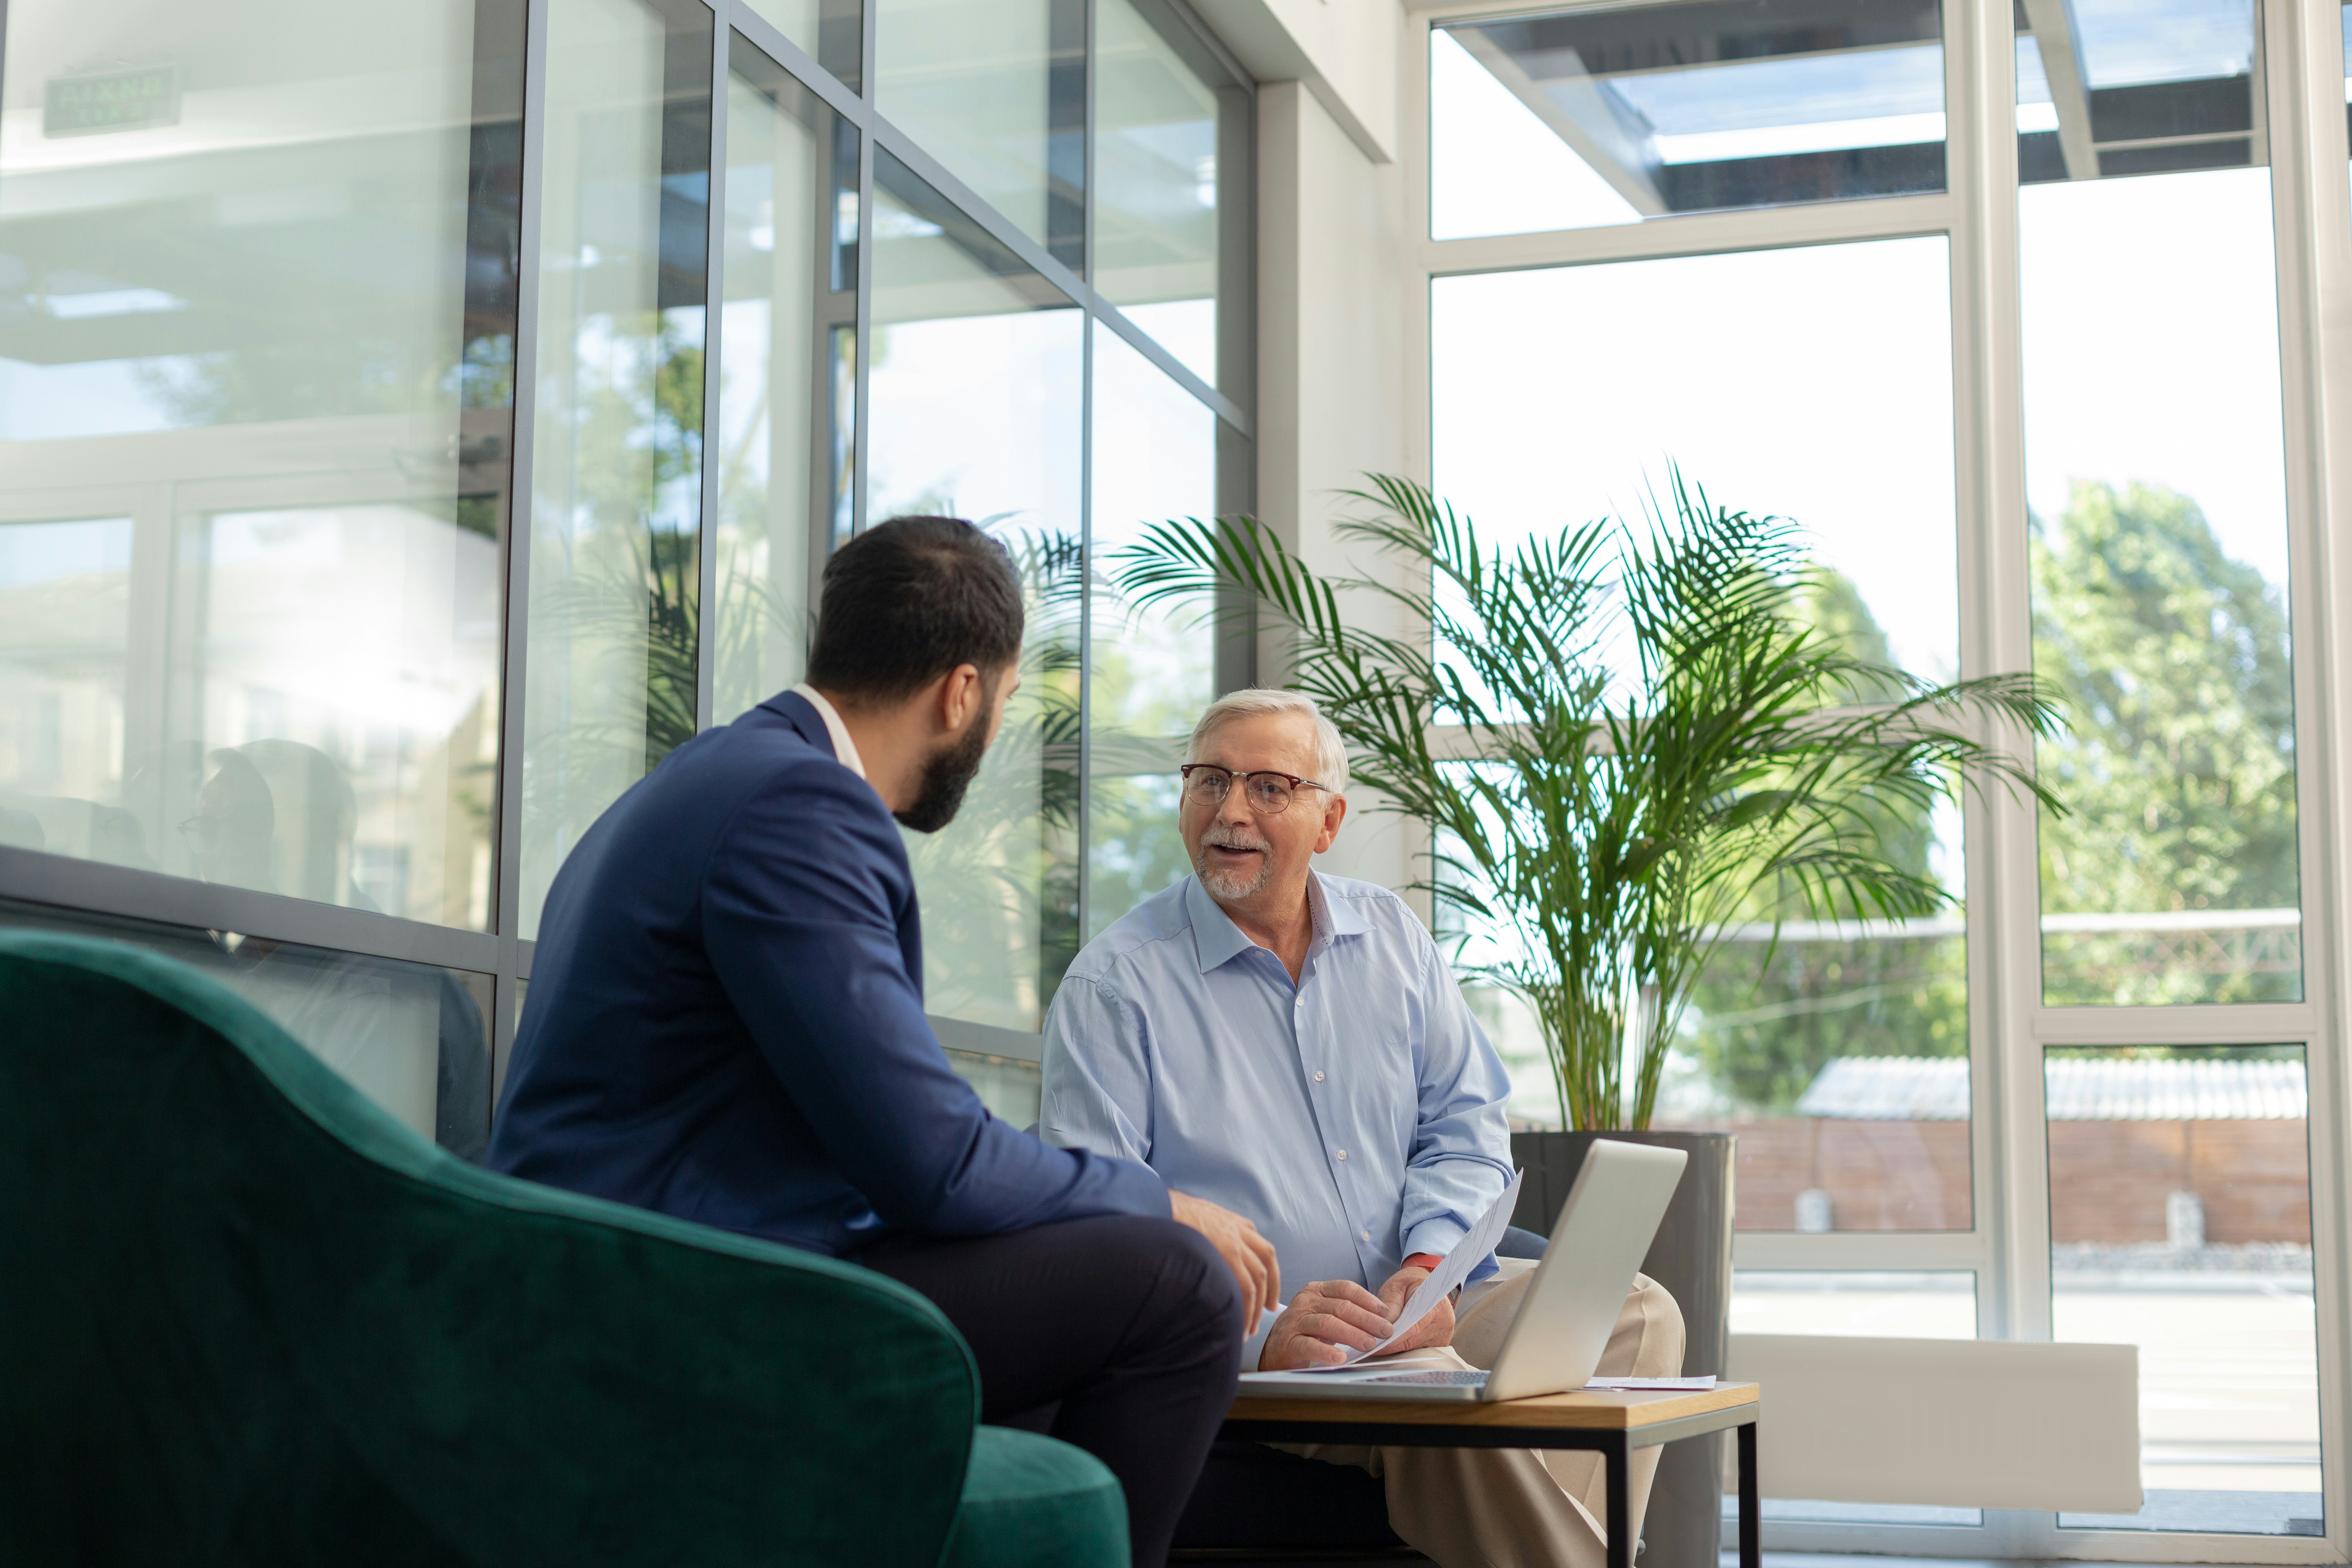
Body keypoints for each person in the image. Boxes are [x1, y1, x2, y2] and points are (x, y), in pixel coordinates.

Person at [488, 516, 1278, 1568]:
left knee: (1071, 1325)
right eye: (999, 704)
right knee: (1178, 1284)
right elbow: (934, 1163)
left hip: (634, 1272)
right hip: (680, 1310)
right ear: (962, 694)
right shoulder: (802, 807)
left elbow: (883, 1141)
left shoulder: (708, 780)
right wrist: (1160, 1199)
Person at [1039, 688, 1686, 1568]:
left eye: (1269, 786)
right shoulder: (1115, 986)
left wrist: (1431, 1275)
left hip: (1409, 1307)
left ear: (1329, 819)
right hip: (1271, 1354)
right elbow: (1099, 1240)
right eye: (1210, 780)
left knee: (1639, 1311)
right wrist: (1266, 1337)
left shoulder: (1393, 937)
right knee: (1434, 1399)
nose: (1231, 811)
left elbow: (1465, 1127)